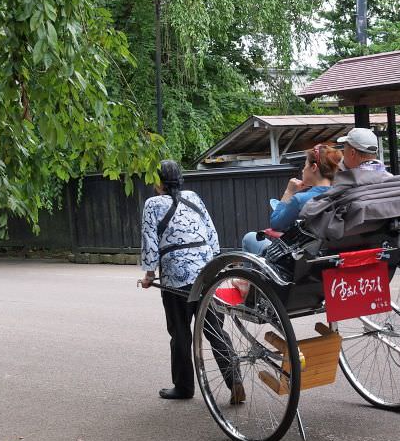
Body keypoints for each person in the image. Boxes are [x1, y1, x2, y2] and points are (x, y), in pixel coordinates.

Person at [140, 160, 244, 403]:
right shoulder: (194, 197)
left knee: (180, 333)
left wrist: (149, 276)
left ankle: (184, 387)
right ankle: (235, 379)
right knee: (214, 329)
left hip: (177, 275)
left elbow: (150, 242)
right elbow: (211, 233)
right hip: (206, 269)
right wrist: (214, 263)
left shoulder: (152, 203)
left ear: (158, 182)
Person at [242, 143, 342, 255]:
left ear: (313, 168)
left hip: (298, 259)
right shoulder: (342, 195)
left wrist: (289, 192)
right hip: (330, 255)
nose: (303, 170)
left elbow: (276, 224)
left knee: (249, 238)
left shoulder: (300, 200)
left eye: (305, 166)